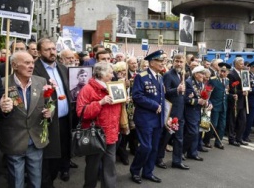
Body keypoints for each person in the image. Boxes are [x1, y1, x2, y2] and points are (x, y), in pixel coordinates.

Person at [0, 51, 51, 188]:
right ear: (14, 65)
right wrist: (1, 108)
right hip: (14, 141)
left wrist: (49, 112)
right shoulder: (3, 83)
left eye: (32, 62)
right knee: (16, 182)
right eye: (27, 63)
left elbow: (50, 103)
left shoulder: (41, 82)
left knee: (36, 181)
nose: (31, 66)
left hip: (36, 140)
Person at [33, 38, 73, 186]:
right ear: (38, 52)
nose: (52, 52)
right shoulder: (35, 69)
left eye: (53, 49)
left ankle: (56, 175)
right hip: (46, 122)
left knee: (62, 154)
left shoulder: (62, 68)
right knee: (48, 160)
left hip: (64, 120)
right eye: (47, 50)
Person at [76, 62, 123, 188]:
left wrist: (123, 100)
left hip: (111, 133)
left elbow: (115, 112)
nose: (113, 75)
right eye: (110, 73)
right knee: (93, 167)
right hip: (95, 134)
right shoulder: (87, 89)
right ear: (101, 74)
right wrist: (100, 103)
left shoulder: (112, 86)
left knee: (110, 167)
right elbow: (81, 113)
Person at [130, 50, 166, 184]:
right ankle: (135, 170)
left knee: (154, 147)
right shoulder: (142, 76)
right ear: (151, 63)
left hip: (158, 118)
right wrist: (154, 105)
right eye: (160, 61)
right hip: (145, 118)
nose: (163, 64)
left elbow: (161, 97)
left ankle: (148, 172)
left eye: (163, 61)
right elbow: (137, 96)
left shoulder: (160, 77)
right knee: (146, 147)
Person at [156, 54, 189, 170]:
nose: (179, 64)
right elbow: (164, 92)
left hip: (180, 111)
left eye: (181, 62)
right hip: (171, 111)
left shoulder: (182, 74)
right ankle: (158, 158)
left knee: (179, 138)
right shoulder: (168, 75)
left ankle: (177, 160)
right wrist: (177, 90)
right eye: (177, 61)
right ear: (173, 61)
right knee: (165, 137)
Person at [183, 65, 212, 161]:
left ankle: (192, 152)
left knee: (196, 133)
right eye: (202, 73)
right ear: (196, 74)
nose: (203, 76)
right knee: (192, 132)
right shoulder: (189, 82)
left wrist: (208, 103)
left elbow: (205, 96)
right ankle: (182, 151)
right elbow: (186, 99)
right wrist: (197, 101)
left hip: (198, 111)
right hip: (190, 111)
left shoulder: (200, 83)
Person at [203, 62, 230, 149]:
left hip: (223, 105)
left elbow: (226, 93)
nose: (222, 73)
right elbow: (207, 93)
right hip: (214, 105)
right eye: (221, 71)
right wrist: (208, 102)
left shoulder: (227, 80)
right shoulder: (213, 80)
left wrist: (232, 96)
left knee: (222, 125)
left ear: (227, 72)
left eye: (224, 71)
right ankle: (206, 140)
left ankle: (218, 141)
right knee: (213, 124)